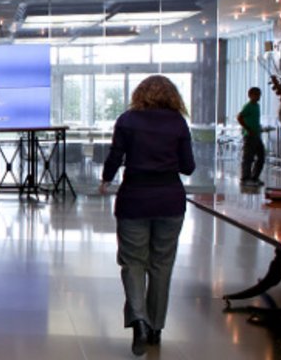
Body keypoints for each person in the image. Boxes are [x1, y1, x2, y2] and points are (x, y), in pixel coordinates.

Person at [99, 75, 195, 356]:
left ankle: (139, 320)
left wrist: (106, 179)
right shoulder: (177, 122)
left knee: (133, 262)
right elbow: (188, 167)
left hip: (134, 199)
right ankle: (156, 328)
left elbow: (115, 156)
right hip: (170, 200)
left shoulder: (127, 120)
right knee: (162, 264)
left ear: (139, 94)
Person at [237, 87, 264, 186]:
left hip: (257, 135)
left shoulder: (257, 106)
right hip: (249, 136)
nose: (258, 97)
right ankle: (245, 178)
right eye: (256, 94)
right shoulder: (248, 106)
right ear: (250, 95)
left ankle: (254, 177)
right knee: (248, 157)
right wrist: (248, 129)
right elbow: (239, 117)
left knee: (261, 156)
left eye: (259, 94)